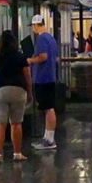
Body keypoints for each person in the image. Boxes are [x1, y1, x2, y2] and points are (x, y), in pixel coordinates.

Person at [0, 29, 32, 163]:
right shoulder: (20, 56)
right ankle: (17, 153)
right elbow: (27, 76)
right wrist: (29, 92)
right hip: (18, 91)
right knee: (16, 123)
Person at [27, 14, 59, 150]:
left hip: (42, 78)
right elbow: (55, 58)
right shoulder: (51, 39)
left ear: (35, 25)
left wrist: (30, 60)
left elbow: (43, 56)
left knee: (48, 108)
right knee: (48, 108)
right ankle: (47, 137)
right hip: (50, 76)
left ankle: (50, 140)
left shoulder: (40, 39)